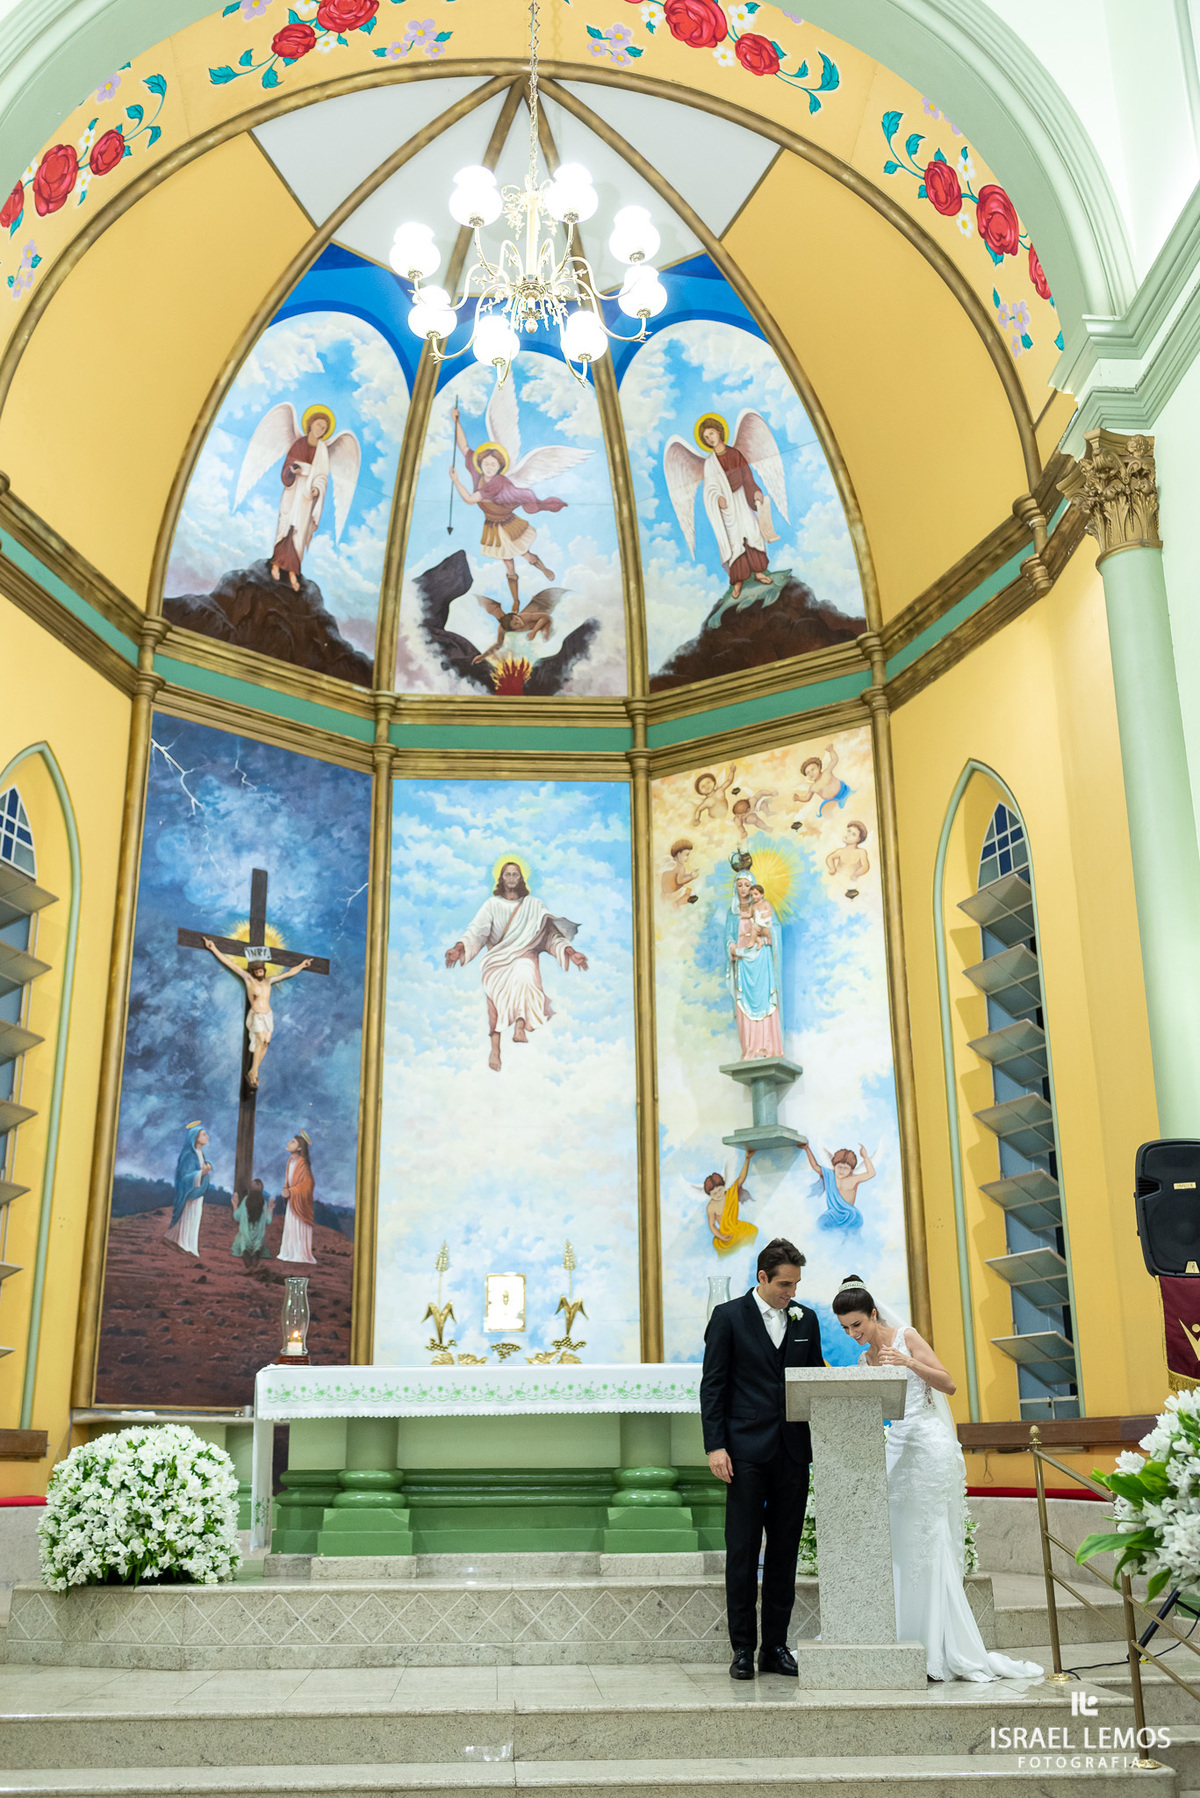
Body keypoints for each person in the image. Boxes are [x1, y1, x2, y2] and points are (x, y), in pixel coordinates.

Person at [831, 1275, 1044, 1684]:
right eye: (845, 1328)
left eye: (857, 1324)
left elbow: (948, 1383)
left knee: (929, 1540)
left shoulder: (906, 1337)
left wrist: (908, 1362)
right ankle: (901, 1634)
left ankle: (942, 1643)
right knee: (899, 1540)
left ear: (873, 1314)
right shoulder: (863, 1362)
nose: (852, 1334)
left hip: (928, 1446)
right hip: (897, 1447)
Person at [701, 1237, 824, 1679]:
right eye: (784, 1285)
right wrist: (715, 1446)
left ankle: (774, 1646)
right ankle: (741, 1649)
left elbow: (814, 1378)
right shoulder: (728, 1317)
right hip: (744, 1452)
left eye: (795, 1284)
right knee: (743, 1550)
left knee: (784, 1552)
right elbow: (713, 1385)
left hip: (792, 1452)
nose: (791, 1293)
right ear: (762, 1278)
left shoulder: (805, 1318)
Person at [445, 857, 589, 1073]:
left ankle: (520, 1025)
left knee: (525, 972)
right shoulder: (492, 905)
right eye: (507, 874)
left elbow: (551, 937)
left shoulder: (534, 906)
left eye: (515, 874)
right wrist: (459, 949)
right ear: (501, 878)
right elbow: (476, 931)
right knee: (495, 1002)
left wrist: (571, 952)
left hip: (524, 956)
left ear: (521, 878)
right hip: (497, 962)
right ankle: (495, 1049)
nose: (511, 877)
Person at [201, 939, 313, 1088]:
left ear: (264, 971)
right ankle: (253, 1073)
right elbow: (230, 964)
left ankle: (253, 1072)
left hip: (268, 1015)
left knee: (266, 1042)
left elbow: (288, 974)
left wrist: (302, 965)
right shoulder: (248, 980)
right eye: (257, 970)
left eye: (261, 970)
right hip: (256, 1015)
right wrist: (213, 948)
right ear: (253, 971)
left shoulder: (268, 981)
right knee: (260, 1038)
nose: (259, 972)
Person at [725, 873, 782, 1060]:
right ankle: (750, 1048)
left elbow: (773, 929)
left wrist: (765, 938)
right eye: (739, 885)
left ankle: (768, 1046)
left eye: (747, 885)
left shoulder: (760, 906)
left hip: (761, 958)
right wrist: (731, 946)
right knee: (744, 1001)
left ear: (753, 888)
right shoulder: (732, 913)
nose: (743, 889)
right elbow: (729, 936)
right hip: (743, 959)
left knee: (765, 1000)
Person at [804, 1142, 874, 1231]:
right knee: (821, 1223)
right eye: (839, 1167)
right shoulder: (830, 1175)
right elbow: (815, 1166)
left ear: (851, 1170)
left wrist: (865, 1156)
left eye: (845, 1168)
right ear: (834, 1166)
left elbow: (871, 1173)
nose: (841, 1171)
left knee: (851, 1232)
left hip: (850, 1215)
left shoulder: (854, 1179)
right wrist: (807, 1149)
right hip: (832, 1214)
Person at [165, 1120, 211, 1256]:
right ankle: (182, 1244)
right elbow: (184, 1177)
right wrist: (201, 1173)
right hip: (188, 1193)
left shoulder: (201, 1154)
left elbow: (199, 1170)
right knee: (187, 1217)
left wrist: (205, 1169)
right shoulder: (188, 1155)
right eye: (203, 1134)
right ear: (195, 1138)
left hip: (197, 1192)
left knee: (194, 1218)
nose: (207, 1136)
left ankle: (186, 1244)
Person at [703, 1146, 757, 1255]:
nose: (718, 1194)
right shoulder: (711, 1207)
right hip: (725, 1235)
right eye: (714, 1193)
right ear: (709, 1194)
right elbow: (712, 1225)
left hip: (737, 1228)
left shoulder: (730, 1193)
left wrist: (747, 1159)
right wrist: (721, 1236)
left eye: (720, 1190)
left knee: (752, 1231)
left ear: (723, 1186)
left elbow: (741, 1178)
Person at [279, 1131, 317, 1265]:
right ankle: (289, 1252)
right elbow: (288, 1180)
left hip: (299, 1203)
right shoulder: (290, 1161)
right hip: (292, 1202)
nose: (289, 1143)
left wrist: (292, 1192)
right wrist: (286, 1189)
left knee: (298, 1226)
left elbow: (308, 1184)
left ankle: (299, 1254)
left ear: (300, 1148)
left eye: (293, 1142)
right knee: (291, 1225)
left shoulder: (303, 1164)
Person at [231, 1178, 274, 1268]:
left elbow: (236, 1217)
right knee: (258, 1244)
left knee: (242, 1241)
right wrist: (271, 1208)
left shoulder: (246, 1200)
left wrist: (235, 1205)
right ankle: (256, 1253)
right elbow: (268, 1220)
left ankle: (245, 1254)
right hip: (258, 1238)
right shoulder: (263, 1203)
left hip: (245, 1238)